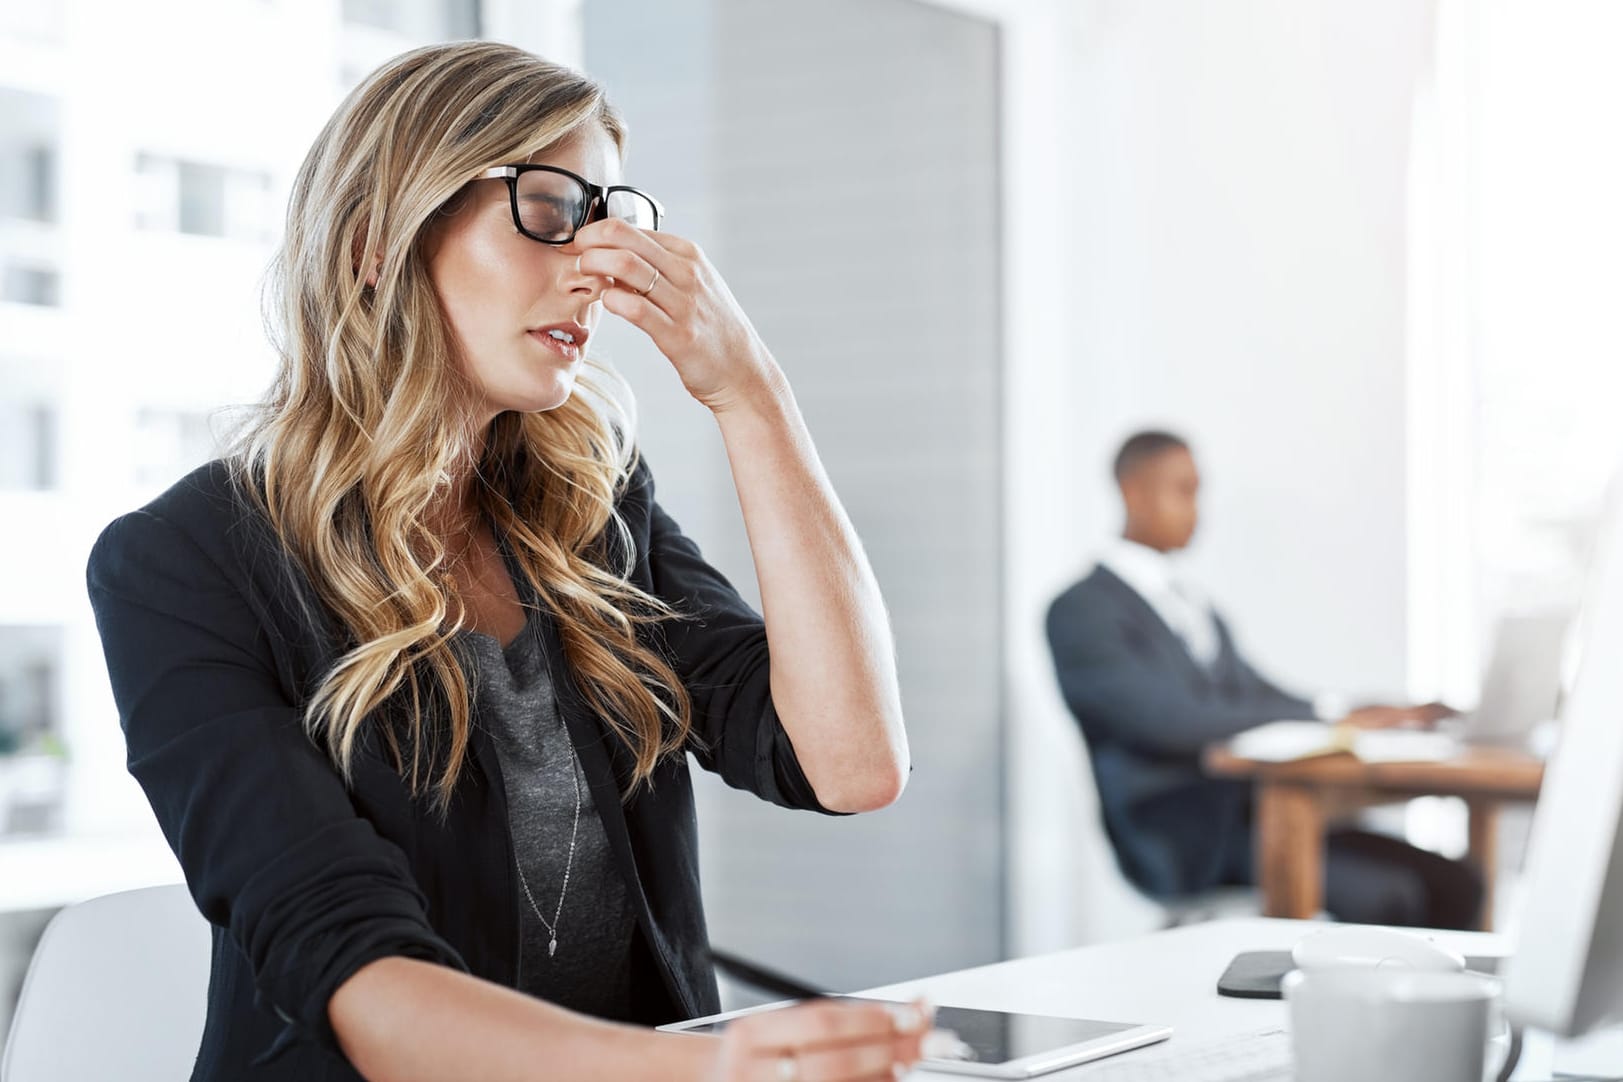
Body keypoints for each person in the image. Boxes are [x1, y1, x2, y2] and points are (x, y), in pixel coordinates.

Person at [86, 41, 931, 1082]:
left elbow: (850, 764)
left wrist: (751, 394)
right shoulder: (178, 564)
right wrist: (717, 1072)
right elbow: (365, 981)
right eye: (548, 206)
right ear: (373, 244)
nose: (596, 263)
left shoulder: (593, 511)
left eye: (609, 214)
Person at [1045, 430, 1482, 929]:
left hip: (1259, 812)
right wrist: (1329, 723)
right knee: (1387, 896)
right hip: (1185, 833)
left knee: (1456, 882)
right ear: (1134, 493)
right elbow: (1170, 722)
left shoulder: (1190, 601)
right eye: (1183, 491)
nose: (1197, 511)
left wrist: (1347, 713)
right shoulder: (1082, 612)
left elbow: (1253, 692)